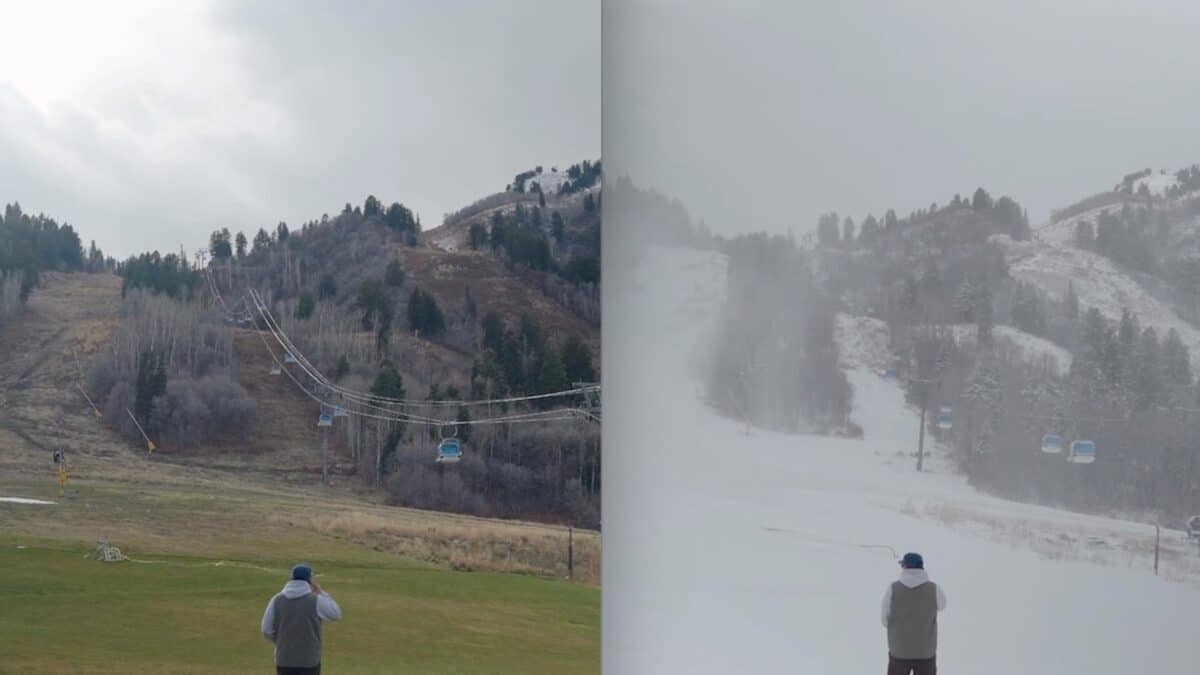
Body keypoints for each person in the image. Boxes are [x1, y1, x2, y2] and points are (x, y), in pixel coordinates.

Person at [261, 564, 342, 675]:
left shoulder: (276, 600)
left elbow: (266, 630)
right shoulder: (316, 600)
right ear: (309, 580)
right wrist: (320, 592)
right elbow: (336, 613)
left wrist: (280, 643)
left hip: (284, 659)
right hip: (309, 660)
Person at [881, 552, 946, 675]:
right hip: (926, 652)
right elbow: (942, 606)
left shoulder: (893, 588)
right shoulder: (934, 589)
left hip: (899, 651)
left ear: (905, 567)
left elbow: (884, 619)